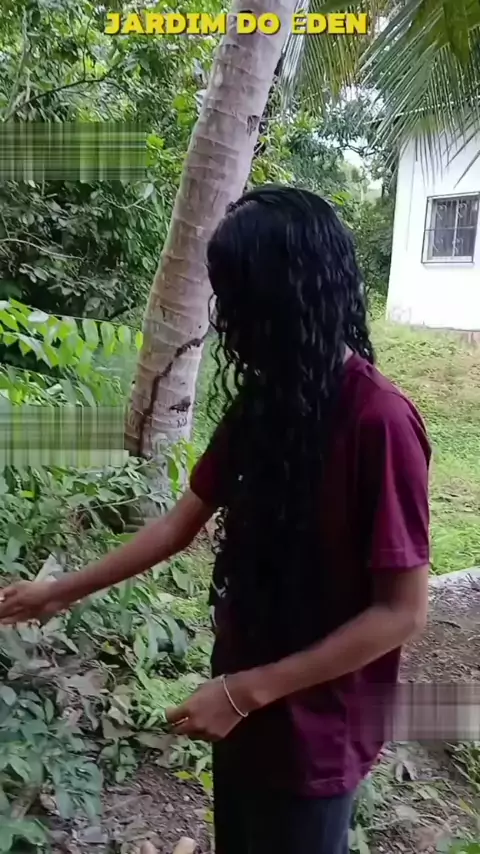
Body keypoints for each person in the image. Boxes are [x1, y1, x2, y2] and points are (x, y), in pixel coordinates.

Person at [0, 186, 430, 854]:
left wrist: (245, 692)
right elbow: (179, 524)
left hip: (315, 731)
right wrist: (58, 591)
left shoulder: (380, 422)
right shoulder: (270, 398)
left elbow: (401, 612)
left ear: (284, 300)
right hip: (241, 706)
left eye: (236, 298)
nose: (225, 318)